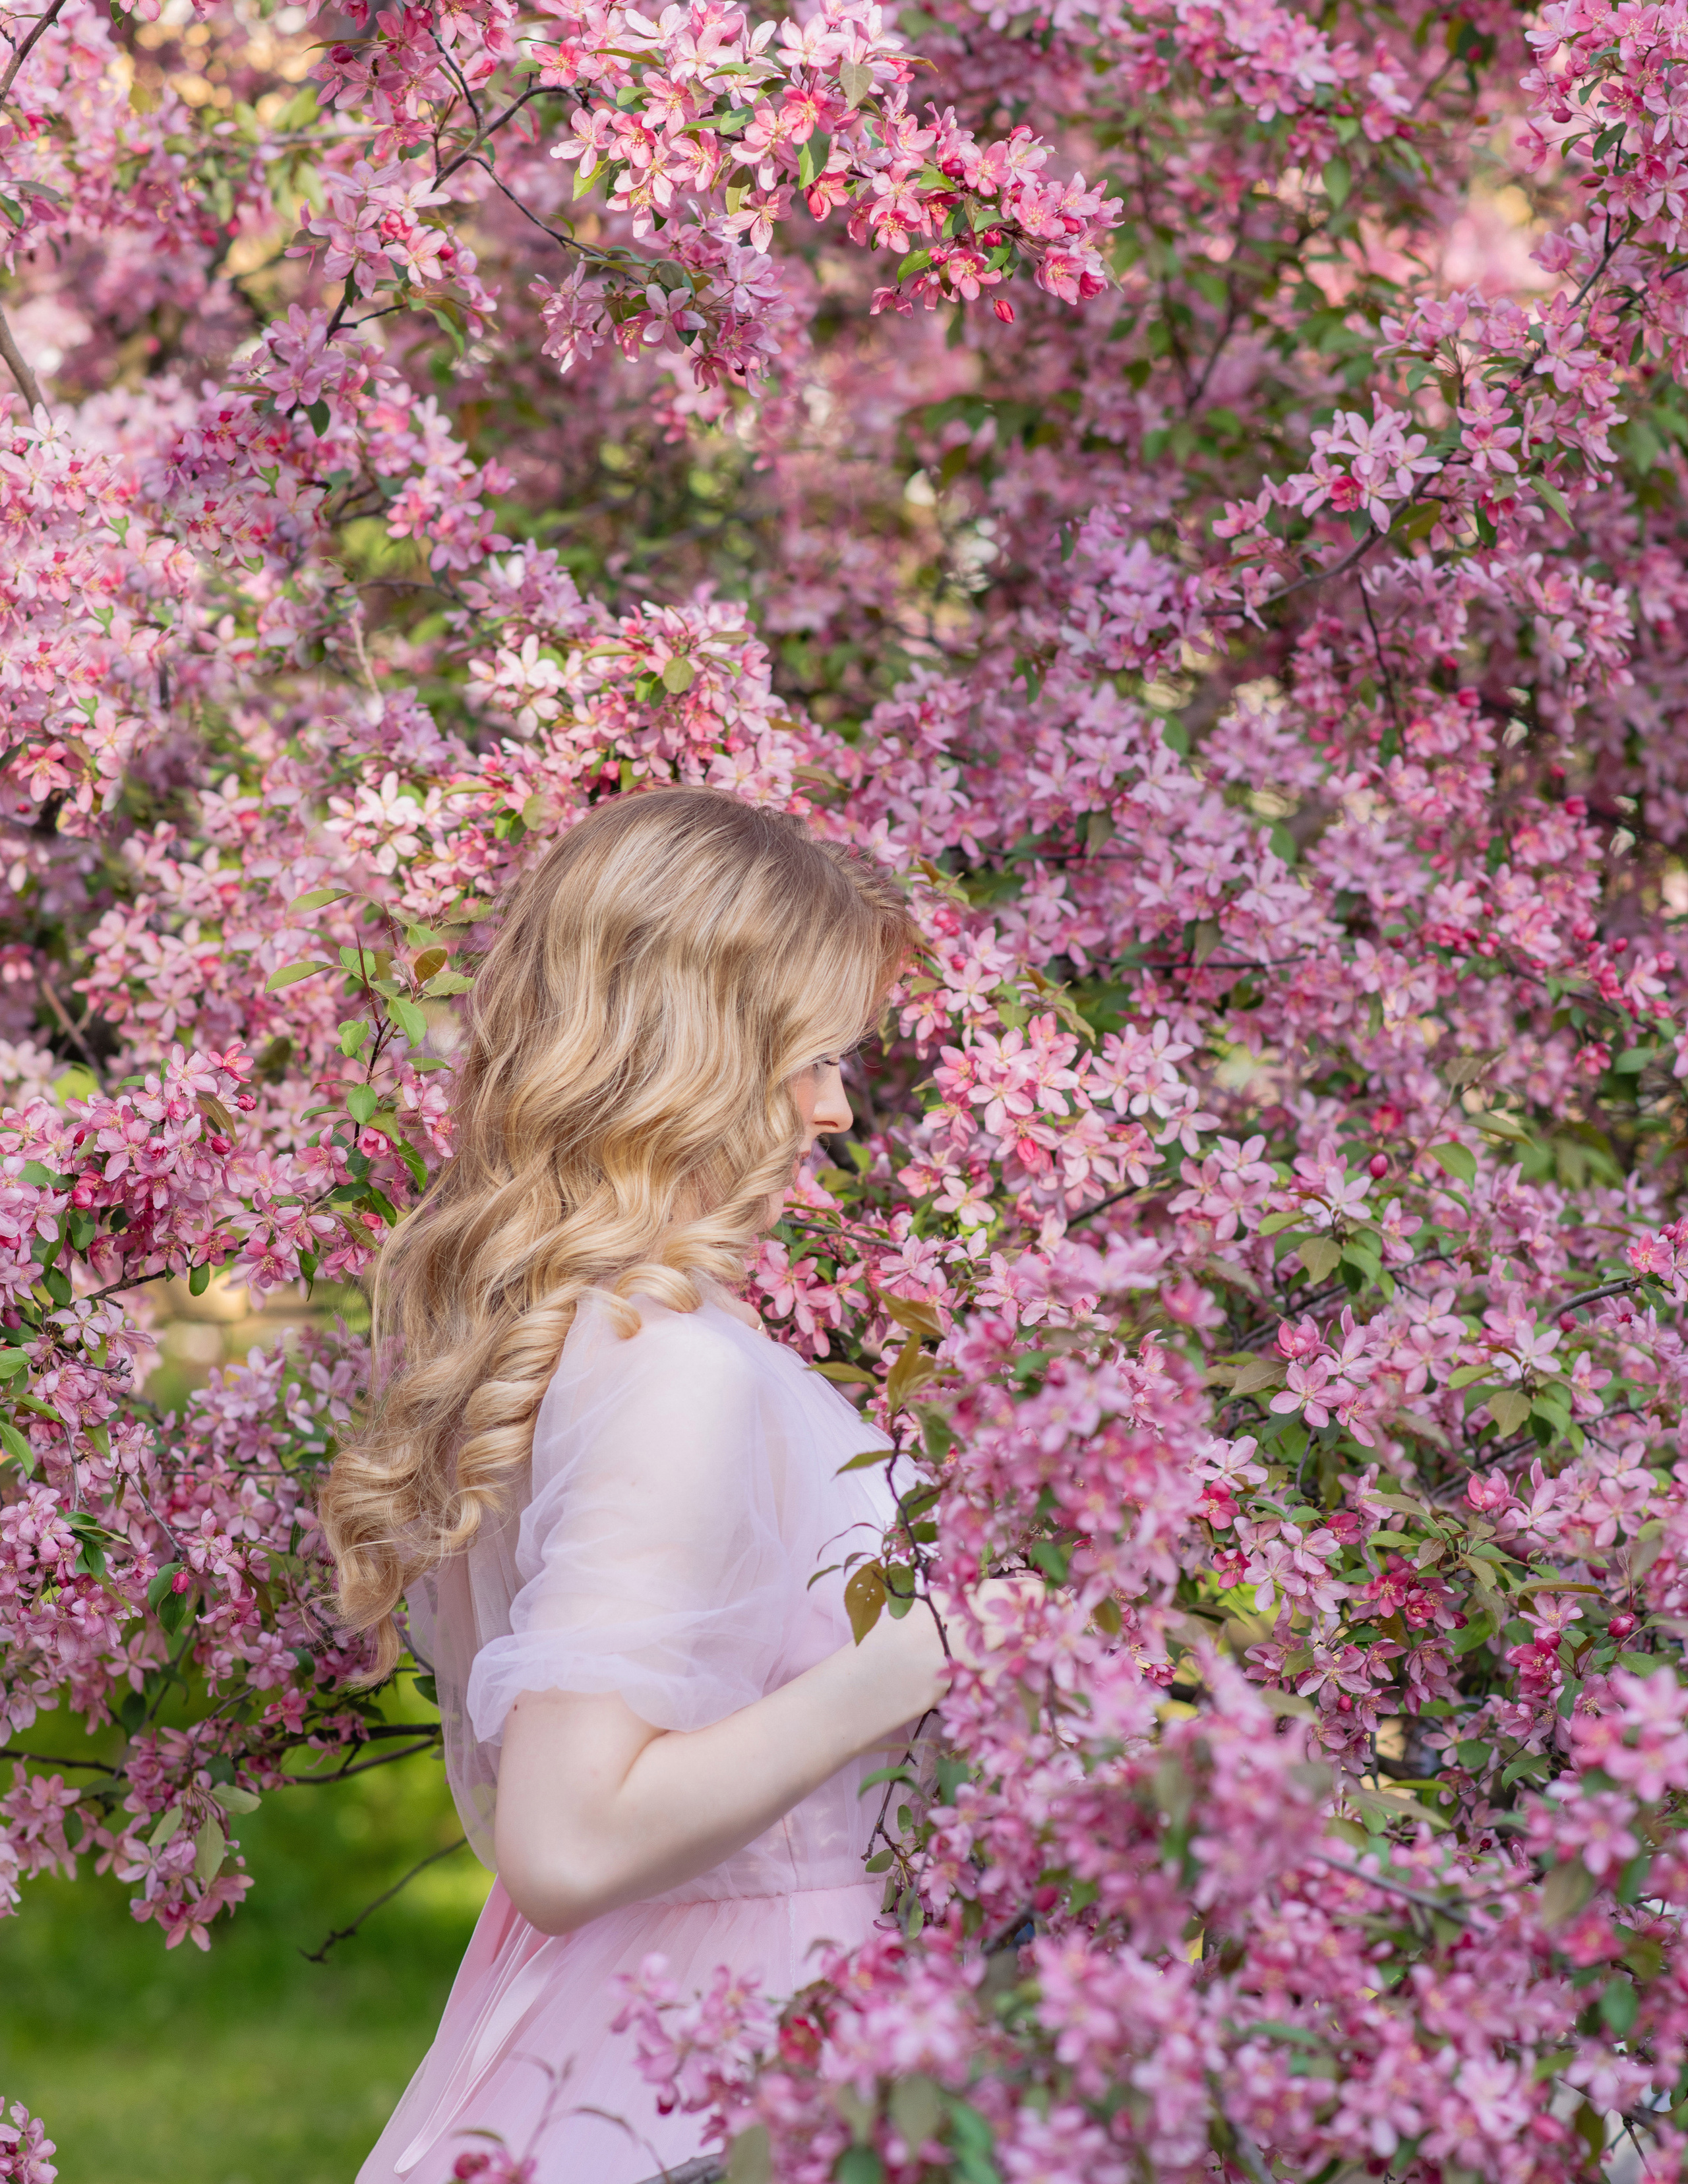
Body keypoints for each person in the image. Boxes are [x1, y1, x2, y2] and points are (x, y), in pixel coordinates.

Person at [322, 786, 952, 2183]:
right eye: (810, 1058)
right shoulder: (670, 1366)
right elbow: (565, 1838)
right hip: (713, 2055)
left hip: (680, 2018)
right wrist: (912, 1661)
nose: (835, 1108)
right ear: (695, 1051)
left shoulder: (610, 1337)